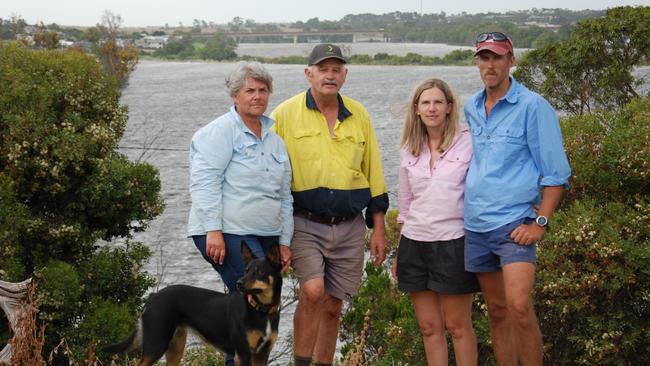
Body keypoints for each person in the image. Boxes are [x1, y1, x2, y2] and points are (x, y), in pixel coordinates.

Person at [270, 43, 389, 366]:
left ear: (345, 75)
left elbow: (374, 173)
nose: (330, 75)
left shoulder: (359, 114)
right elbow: (267, 172)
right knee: (311, 292)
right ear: (308, 74)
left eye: (337, 69)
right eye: (323, 69)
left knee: (334, 304)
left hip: (350, 227)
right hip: (304, 222)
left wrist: (378, 228)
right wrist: (273, 234)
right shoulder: (284, 114)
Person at [463, 32, 571, 366]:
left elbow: (556, 175)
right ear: (477, 63)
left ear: (512, 60)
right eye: (484, 57)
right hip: (476, 225)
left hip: (515, 225)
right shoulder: (470, 107)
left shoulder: (533, 106)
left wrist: (540, 223)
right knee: (496, 312)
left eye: (497, 57)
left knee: (520, 308)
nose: (490, 64)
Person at [187, 61, 293, 366]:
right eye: (250, 91)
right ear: (235, 96)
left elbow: (285, 197)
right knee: (250, 310)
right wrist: (213, 230)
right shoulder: (219, 132)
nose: (257, 96)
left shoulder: (276, 141)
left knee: (266, 308)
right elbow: (204, 183)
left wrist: (284, 242)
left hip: (267, 233)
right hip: (228, 231)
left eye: (262, 90)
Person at [392, 78, 479, 366]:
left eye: (438, 102)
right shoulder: (408, 148)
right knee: (429, 328)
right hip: (415, 245)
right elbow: (405, 207)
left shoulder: (468, 140)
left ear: (449, 107)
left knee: (457, 327)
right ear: (416, 109)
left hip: (453, 242)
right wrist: (399, 252)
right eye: (426, 103)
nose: (432, 108)